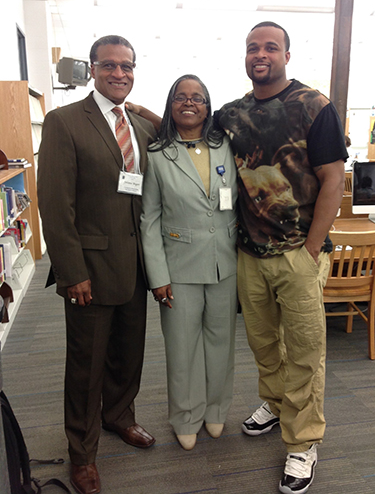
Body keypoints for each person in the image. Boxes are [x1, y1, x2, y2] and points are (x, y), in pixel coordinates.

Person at [215, 22, 348, 494]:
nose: (261, 54)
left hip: (298, 254)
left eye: (271, 46)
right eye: (253, 47)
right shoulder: (231, 114)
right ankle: (274, 404)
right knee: (265, 344)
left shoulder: (314, 106)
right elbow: (185, 127)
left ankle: (303, 442)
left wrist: (312, 247)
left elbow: (333, 179)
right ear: (245, 56)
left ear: (287, 54)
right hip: (250, 255)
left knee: (307, 352)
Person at [37, 35, 157, 494]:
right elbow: (54, 204)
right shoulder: (65, 122)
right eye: (110, 65)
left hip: (136, 267)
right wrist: (72, 272)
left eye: (128, 66)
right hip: (89, 268)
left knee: (129, 354)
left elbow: (183, 137)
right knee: (86, 367)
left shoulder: (141, 128)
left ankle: (119, 417)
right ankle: (82, 453)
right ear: (92, 69)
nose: (120, 73)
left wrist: (147, 112)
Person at [140, 74, 238, 451]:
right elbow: (149, 220)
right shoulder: (157, 155)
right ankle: (185, 416)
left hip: (224, 263)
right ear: (170, 105)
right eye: (181, 96)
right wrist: (157, 276)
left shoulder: (226, 146)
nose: (189, 102)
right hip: (177, 268)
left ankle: (215, 411)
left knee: (221, 343)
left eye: (197, 97)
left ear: (208, 106)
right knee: (182, 348)